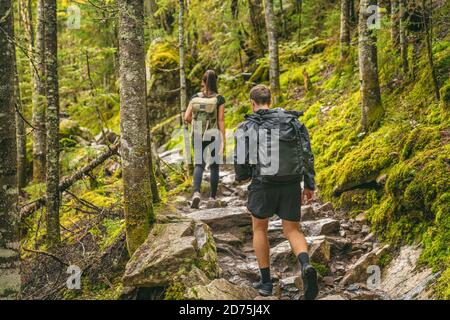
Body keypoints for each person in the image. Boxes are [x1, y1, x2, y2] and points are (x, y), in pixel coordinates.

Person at [233, 84, 318, 300]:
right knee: (293, 230)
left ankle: (265, 283)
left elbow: (241, 158)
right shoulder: (292, 121)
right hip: (291, 183)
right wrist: (309, 184)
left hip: (263, 184)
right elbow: (306, 153)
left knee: (260, 229)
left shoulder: (247, 125)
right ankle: (306, 265)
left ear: (252, 103)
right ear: (270, 100)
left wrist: (242, 176)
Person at [184, 70, 225, 209]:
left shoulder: (195, 97)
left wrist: (196, 125)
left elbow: (187, 117)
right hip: (213, 134)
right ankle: (212, 197)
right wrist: (223, 140)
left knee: (199, 165)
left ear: (203, 82)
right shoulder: (219, 99)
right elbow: (220, 120)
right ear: (215, 82)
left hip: (197, 134)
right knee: (214, 166)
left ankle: (196, 193)